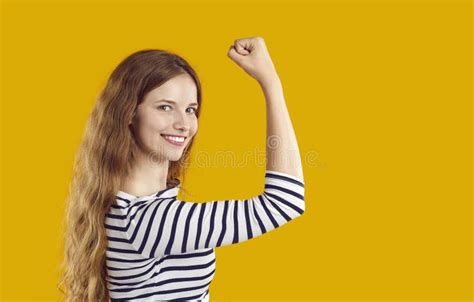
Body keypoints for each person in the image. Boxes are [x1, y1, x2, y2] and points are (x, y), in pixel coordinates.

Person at [59, 36, 305, 302]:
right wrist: (271, 83)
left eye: (191, 110)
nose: (184, 124)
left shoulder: (126, 204)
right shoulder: (149, 221)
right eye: (165, 107)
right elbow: (285, 201)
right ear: (129, 112)